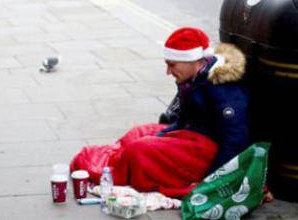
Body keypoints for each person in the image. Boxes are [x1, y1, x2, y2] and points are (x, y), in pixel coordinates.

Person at [70, 27, 250, 198]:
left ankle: (113, 169)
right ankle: (118, 163)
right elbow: (182, 120)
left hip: (210, 152)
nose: (168, 72)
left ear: (193, 61)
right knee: (137, 133)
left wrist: (209, 180)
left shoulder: (223, 90)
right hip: (193, 135)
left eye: (172, 65)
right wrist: (161, 135)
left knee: (138, 149)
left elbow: (235, 140)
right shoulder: (192, 79)